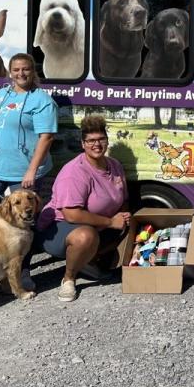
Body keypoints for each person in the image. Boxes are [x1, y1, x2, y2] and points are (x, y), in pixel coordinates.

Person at [0, 53, 57, 288]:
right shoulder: (1, 94)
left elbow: (46, 138)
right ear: (10, 71)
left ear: (32, 71)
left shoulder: (42, 100)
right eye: (16, 70)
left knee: (23, 225)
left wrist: (31, 171)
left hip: (23, 173)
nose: (21, 74)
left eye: (25, 69)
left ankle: (21, 272)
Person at [34, 115, 130, 302]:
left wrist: (124, 214)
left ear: (107, 140)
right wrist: (111, 222)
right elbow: (71, 214)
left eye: (101, 139)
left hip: (98, 223)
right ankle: (69, 278)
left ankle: (88, 262)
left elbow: (123, 198)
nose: (97, 144)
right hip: (59, 227)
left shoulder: (115, 166)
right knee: (86, 236)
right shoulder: (74, 172)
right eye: (91, 140)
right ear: (83, 144)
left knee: (132, 222)